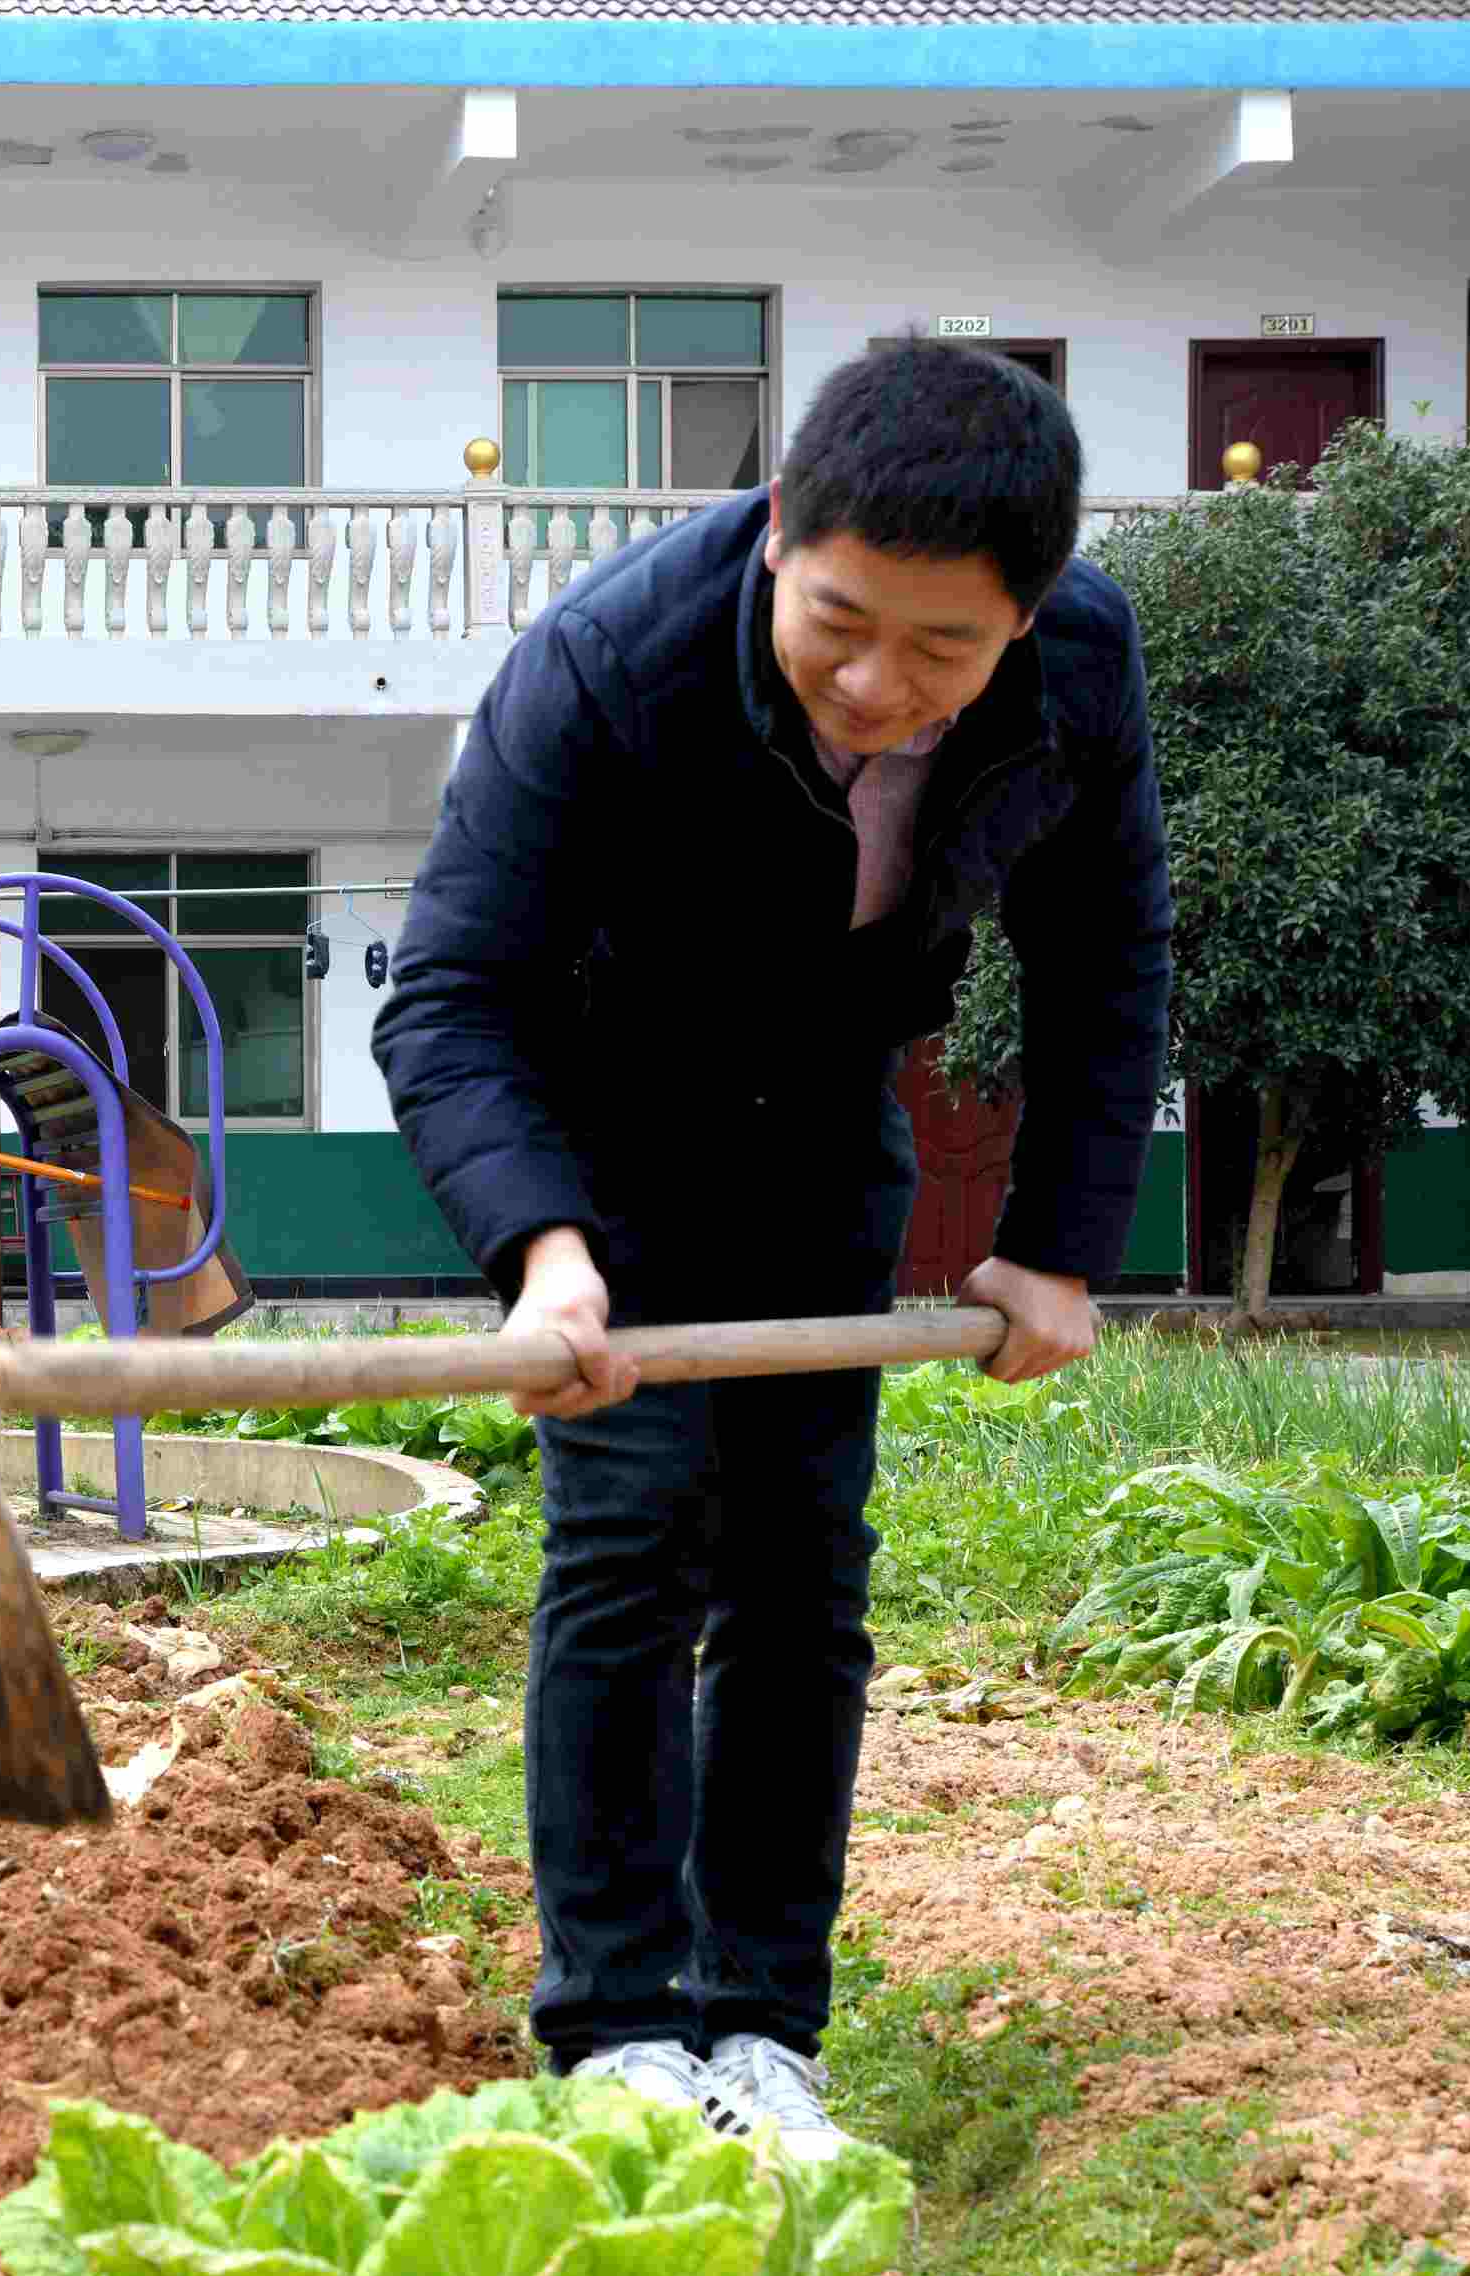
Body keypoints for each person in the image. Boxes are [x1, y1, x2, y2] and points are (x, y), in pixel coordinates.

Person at [371, 336, 1171, 2160]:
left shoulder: (1084, 672)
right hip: (605, 1122)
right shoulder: (608, 660)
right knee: (635, 1535)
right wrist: (544, 1255)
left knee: (806, 1571)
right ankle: (619, 2027)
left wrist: (1058, 1247)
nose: (881, 685)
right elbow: (449, 993)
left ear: (1027, 615)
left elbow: (1107, 957)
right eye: (840, 624)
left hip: (819, 1121)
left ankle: (760, 2027)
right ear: (779, 538)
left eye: (944, 647)